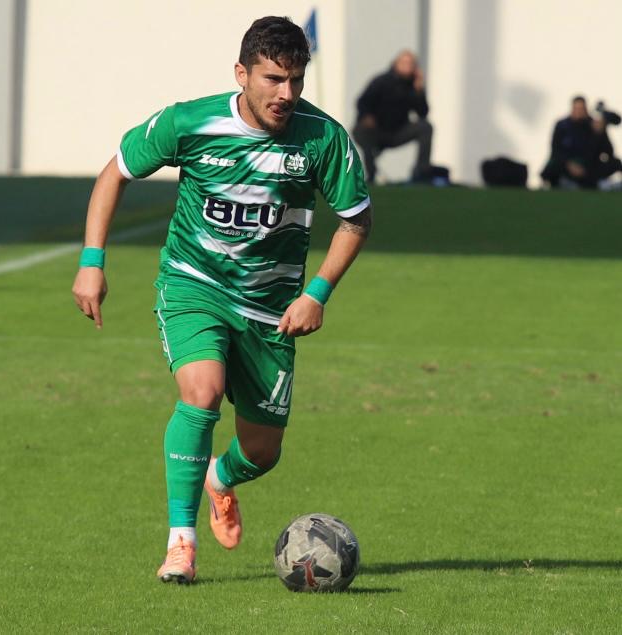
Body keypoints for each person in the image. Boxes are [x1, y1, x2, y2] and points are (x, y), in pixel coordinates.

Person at [71, 16, 371, 584]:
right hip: (194, 284)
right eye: (273, 78)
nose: (286, 93)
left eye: (296, 80)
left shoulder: (323, 139)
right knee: (202, 392)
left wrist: (317, 293)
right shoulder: (190, 122)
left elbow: (356, 220)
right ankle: (180, 544)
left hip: (271, 309)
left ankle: (219, 478)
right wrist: (92, 261)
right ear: (241, 73)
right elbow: (116, 172)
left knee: (262, 452)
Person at [353, 50, 433, 184]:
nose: (408, 66)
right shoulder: (381, 81)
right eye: (404, 63)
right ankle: (371, 175)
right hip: (376, 130)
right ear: (396, 64)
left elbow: (423, 114)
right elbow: (362, 102)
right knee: (362, 131)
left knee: (425, 127)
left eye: (411, 64)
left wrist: (419, 90)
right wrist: (366, 116)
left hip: (398, 132)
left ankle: (422, 173)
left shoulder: (413, 87)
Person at [541, 96, 622, 189]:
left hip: (588, 166)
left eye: (582, 109)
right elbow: (555, 150)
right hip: (567, 165)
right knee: (554, 166)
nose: (579, 112)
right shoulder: (562, 125)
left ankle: (591, 183)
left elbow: (608, 152)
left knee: (615, 163)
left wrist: (600, 133)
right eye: (577, 109)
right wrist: (569, 165)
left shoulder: (593, 125)